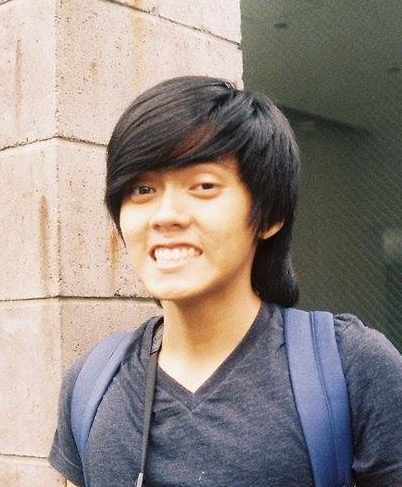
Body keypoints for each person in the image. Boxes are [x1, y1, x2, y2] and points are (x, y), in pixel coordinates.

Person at [48, 75, 402, 487]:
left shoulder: (353, 367)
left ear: (270, 216)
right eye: (143, 189)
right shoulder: (90, 383)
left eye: (203, 185)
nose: (166, 215)